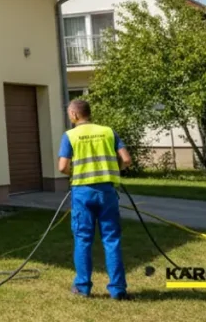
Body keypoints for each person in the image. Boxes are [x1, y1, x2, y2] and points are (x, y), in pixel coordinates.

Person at [58, 98, 132, 300]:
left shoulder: (70, 136)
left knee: (83, 239)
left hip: (83, 193)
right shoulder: (108, 132)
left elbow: (63, 167)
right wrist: (113, 170)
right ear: (89, 113)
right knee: (112, 240)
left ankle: (83, 287)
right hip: (107, 193)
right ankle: (118, 290)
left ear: (74, 115)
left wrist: (77, 172)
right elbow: (126, 159)